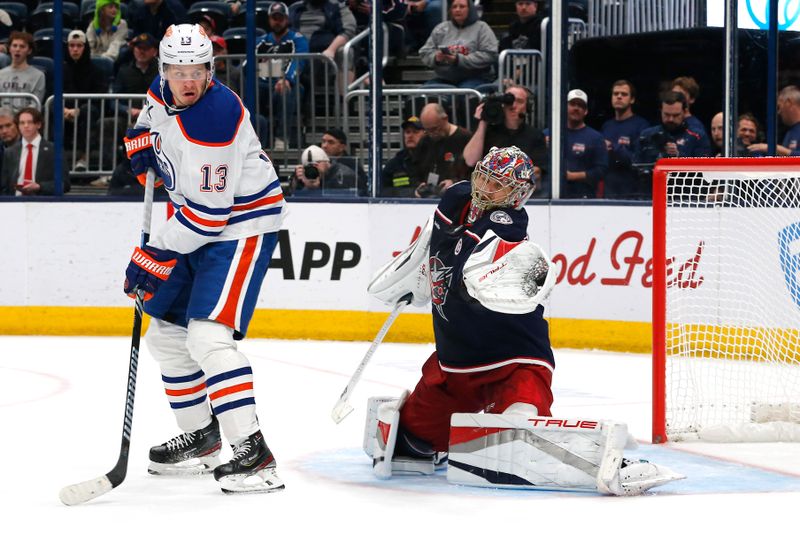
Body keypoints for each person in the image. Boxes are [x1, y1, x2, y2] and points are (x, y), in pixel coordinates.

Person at [362, 145, 682, 496]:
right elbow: (432, 244)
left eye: (497, 185)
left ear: (515, 195)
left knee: (520, 433)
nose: (485, 187)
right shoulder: (455, 197)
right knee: (410, 442)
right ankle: (447, 439)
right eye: (483, 176)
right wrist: (413, 276)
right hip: (455, 366)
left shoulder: (508, 225)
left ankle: (607, 460)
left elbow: (486, 260)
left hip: (514, 361)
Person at [121, 24, 286, 494]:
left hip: (238, 228)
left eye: (197, 71)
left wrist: (153, 254)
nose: (187, 81)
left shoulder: (213, 120)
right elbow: (149, 118)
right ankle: (203, 438)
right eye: (177, 71)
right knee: (167, 338)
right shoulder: (162, 90)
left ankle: (253, 455)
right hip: (195, 222)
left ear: (210, 71)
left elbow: (209, 219)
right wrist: (140, 144)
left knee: (208, 339)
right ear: (164, 70)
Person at [463, 83, 546, 193]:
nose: (513, 105)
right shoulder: (487, 132)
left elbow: (537, 172)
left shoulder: (535, 135)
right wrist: (483, 122)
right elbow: (470, 161)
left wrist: (503, 182)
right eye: (509, 101)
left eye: (519, 101)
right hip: (487, 192)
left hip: (520, 194)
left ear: (528, 107)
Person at [256, 2, 309, 150]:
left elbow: (300, 60)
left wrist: (287, 79)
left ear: (287, 19)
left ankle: (281, 138)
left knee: (286, 91)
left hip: (288, 84)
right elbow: (248, 63)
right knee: (250, 89)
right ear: (269, 20)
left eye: (280, 18)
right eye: (274, 18)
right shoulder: (261, 41)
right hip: (263, 83)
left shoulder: (297, 39)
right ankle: (252, 139)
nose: (277, 21)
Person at [636, 91, 711, 196]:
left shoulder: (697, 136)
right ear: (661, 111)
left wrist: (678, 156)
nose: (670, 119)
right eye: (666, 115)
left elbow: (704, 172)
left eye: (676, 115)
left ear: (685, 112)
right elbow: (636, 165)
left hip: (686, 199)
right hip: (650, 197)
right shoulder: (647, 135)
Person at [418, 0, 498, 90]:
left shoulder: (482, 28)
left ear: (470, 9)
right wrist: (436, 58)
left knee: (463, 94)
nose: (457, 10)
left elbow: (490, 54)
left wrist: (458, 60)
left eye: (462, 6)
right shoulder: (441, 28)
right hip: (445, 78)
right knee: (422, 95)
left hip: (476, 77)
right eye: (454, 7)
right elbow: (424, 52)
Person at [0, 107, 69, 195]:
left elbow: (64, 184)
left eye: (30, 122)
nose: (26, 126)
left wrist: (40, 187)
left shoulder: (54, 150)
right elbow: (4, 186)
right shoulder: (9, 152)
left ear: (38, 124)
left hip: (43, 203)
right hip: (15, 204)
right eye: (22, 123)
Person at [600, 80, 650, 198]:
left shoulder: (642, 126)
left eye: (624, 94)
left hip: (632, 192)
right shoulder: (606, 126)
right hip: (609, 192)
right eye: (615, 93)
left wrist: (614, 147)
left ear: (632, 99)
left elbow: (639, 161)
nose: (619, 97)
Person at [415, 102, 471, 197]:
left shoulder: (465, 138)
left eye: (435, 129)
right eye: (427, 130)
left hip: (457, 196)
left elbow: (474, 172)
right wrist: (418, 185)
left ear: (445, 119)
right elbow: (416, 168)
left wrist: (455, 182)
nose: (432, 134)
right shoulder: (425, 141)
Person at [563, 88, 608, 198]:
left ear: (586, 111)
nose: (576, 108)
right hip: (554, 196)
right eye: (572, 104)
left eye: (581, 105)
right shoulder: (551, 134)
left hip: (585, 199)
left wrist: (572, 176)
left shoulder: (596, 138)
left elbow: (601, 170)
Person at [381, 115, 427, 196]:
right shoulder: (394, 164)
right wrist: (413, 193)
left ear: (425, 134)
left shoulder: (434, 160)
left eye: (415, 132)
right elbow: (382, 191)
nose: (410, 136)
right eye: (407, 132)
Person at [748, 85, 800, 156]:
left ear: (788, 103)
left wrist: (774, 148)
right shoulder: (790, 132)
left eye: (779, 107)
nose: (779, 112)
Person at [0, 31, 45, 112]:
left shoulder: (38, 75)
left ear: (29, 51)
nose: (17, 49)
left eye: (22, 46)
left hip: (25, 121)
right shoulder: (1, 74)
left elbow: (35, 105)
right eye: (14, 46)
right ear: (9, 49)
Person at [290, 143, 358, 194]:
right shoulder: (304, 175)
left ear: (326, 162)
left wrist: (315, 188)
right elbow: (292, 197)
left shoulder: (342, 175)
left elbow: (336, 200)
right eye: (308, 165)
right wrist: (296, 181)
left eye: (317, 163)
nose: (313, 167)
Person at [671, 76, 708, 140]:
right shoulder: (667, 123)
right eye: (673, 94)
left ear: (692, 99)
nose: (675, 98)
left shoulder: (696, 127)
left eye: (680, 95)